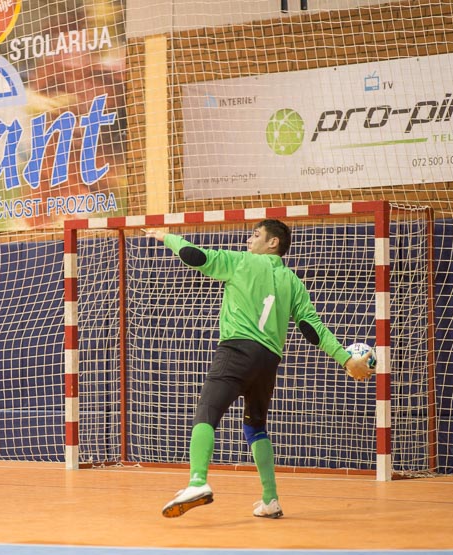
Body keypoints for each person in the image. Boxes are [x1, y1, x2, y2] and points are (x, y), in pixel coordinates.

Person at [146, 220, 375, 519]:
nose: (249, 240)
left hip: (236, 351)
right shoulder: (292, 281)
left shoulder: (242, 262)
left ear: (273, 243)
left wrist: (167, 237)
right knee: (255, 426)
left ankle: (197, 481)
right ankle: (270, 499)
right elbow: (311, 327)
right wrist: (346, 359)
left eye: (256, 235)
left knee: (207, 412)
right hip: (267, 361)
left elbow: (196, 256)